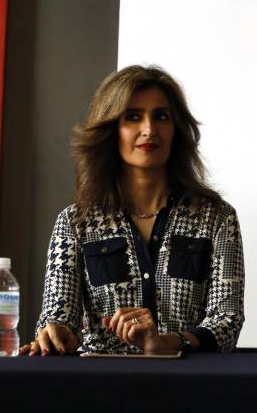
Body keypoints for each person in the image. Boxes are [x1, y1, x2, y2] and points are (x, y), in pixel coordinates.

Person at [19, 65, 244, 355]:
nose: (149, 130)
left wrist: (167, 343)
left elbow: (227, 323)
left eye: (161, 116)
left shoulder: (216, 218)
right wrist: (56, 334)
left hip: (190, 384)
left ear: (176, 129)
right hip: (100, 386)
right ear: (111, 129)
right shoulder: (76, 223)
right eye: (133, 117)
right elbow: (58, 317)